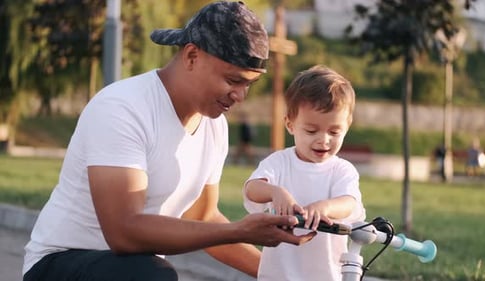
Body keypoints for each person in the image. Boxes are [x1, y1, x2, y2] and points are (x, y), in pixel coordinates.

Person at [22, 2, 316, 281]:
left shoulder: (215, 127)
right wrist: (240, 230)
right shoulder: (123, 107)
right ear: (191, 56)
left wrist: (280, 276)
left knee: (148, 272)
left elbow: (203, 218)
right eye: (232, 80)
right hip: (58, 264)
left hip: (130, 269)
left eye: (248, 85)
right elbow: (123, 232)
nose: (240, 96)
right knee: (151, 274)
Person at [243, 65, 366, 281]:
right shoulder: (280, 162)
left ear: (347, 126)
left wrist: (325, 207)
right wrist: (275, 192)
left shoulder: (341, 170)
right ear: (290, 124)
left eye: (334, 131)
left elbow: (350, 203)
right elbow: (252, 188)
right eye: (311, 131)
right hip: (278, 274)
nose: (323, 139)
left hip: (326, 274)